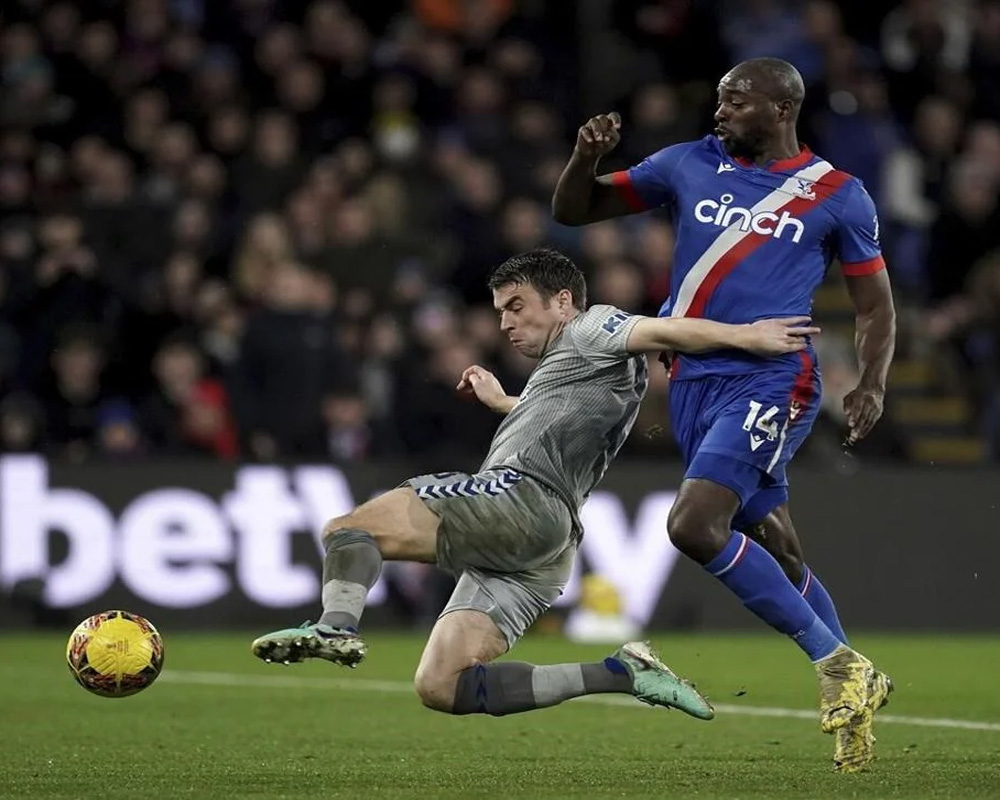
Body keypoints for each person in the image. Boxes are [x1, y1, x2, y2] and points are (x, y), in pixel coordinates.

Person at [251, 247, 817, 722]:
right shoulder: (574, 365)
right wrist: (506, 403)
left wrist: (748, 337)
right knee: (442, 685)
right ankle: (619, 673)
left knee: (349, 528)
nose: (505, 323)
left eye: (517, 306)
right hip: (546, 546)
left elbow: (662, 329)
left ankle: (333, 627)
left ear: (564, 301)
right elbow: (566, 412)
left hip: (519, 499)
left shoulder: (594, 326)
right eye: (500, 311)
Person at [551, 57, 897, 773]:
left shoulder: (837, 195)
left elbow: (875, 307)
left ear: (780, 109)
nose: (719, 111)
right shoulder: (686, 164)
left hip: (774, 377)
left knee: (693, 525)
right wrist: (584, 158)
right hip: (692, 382)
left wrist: (872, 381)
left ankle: (835, 664)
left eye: (735, 101)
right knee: (779, 548)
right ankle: (859, 685)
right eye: (717, 99)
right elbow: (575, 211)